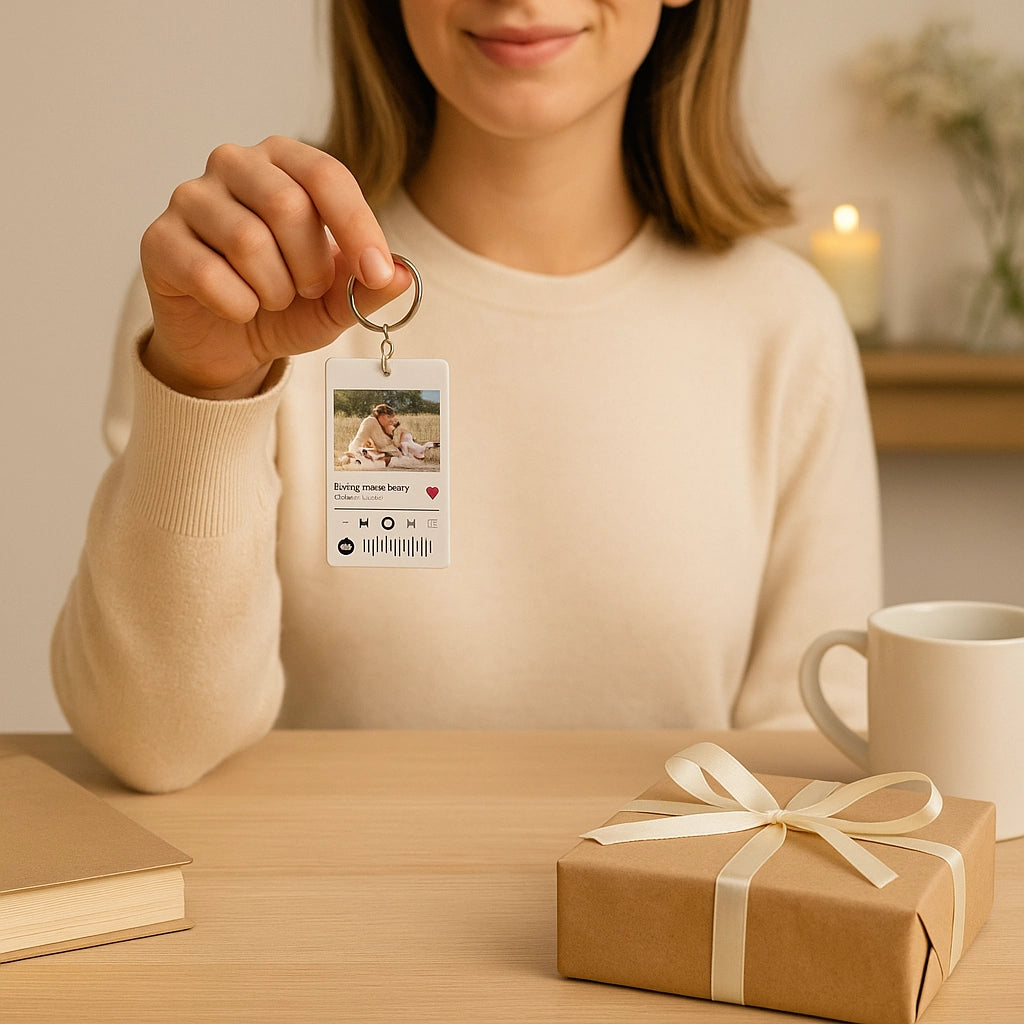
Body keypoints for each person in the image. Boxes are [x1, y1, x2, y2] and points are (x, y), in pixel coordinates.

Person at [51, 0, 882, 793]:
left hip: (665, 927)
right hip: (316, 925)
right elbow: (155, 746)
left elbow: (808, 774)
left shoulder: (785, 328)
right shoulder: (242, 294)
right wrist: (208, 394)